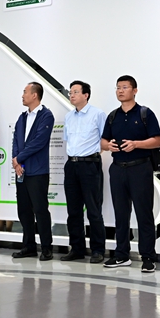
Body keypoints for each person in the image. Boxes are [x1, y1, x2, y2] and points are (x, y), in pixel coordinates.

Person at [101, 75, 160, 273]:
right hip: (118, 168)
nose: (120, 91)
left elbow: (157, 140)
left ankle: (148, 257)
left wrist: (136, 144)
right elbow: (103, 141)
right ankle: (121, 255)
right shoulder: (112, 116)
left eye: (125, 87)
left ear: (135, 90)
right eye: (118, 87)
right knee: (120, 213)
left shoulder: (145, 113)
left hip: (140, 168)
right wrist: (108, 146)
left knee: (144, 213)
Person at [61, 80, 107, 264]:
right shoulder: (68, 117)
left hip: (90, 165)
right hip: (71, 165)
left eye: (75, 92)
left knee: (94, 209)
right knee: (73, 210)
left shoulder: (98, 114)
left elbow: (105, 141)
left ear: (86, 95)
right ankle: (77, 248)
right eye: (70, 92)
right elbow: (68, 140)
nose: (71, 95)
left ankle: (98, 250)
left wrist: (92, 155)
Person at [11, 82, 55, 261]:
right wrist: (16, 161)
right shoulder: (22, 118)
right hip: (21, 171)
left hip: (38, 171)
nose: (22, 95)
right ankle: (28, 246)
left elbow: (39, 142)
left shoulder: (46, 116)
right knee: (24, 210)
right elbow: (15, 140)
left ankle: (46, 247)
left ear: (34, 95)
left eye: (25, 92)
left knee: (40, 209)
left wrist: (19, 158)